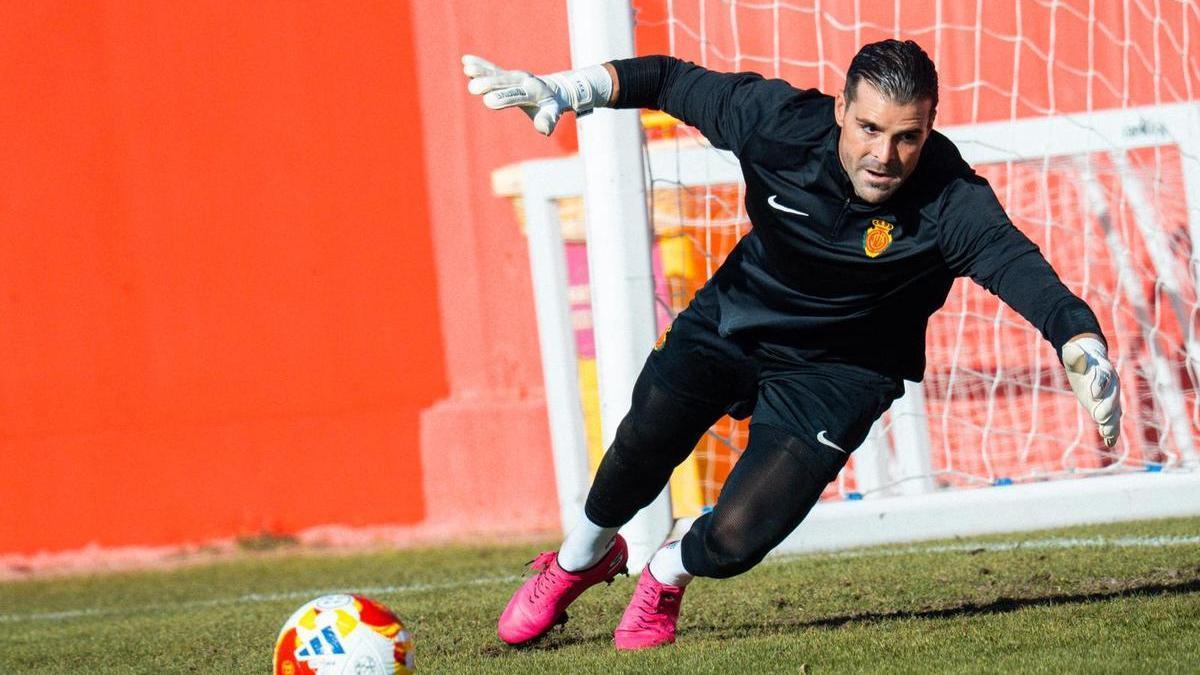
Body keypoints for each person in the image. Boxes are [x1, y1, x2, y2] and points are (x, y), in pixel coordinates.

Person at [462, 40, 1123, 651]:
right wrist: (565, 88)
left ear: (929, 128)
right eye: (868, 128)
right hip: (738, 317)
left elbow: (1025, 272)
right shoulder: (778, 123)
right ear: (840, 110)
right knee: (643, 439)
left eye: (907, 137)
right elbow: (669, 80)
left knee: (738, 536)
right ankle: (580, 558)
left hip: (840, 373)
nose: (883, 157)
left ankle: (665, 572)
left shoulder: (952, 201)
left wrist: (1079, 340)